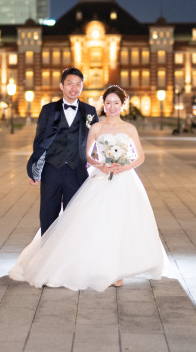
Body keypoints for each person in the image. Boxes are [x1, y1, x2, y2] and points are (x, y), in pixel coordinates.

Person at [10, 85, 167, 291]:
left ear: (123, 105)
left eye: (116, 103)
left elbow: (140, 156)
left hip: (124, 178)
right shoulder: (96, 127)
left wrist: (124, 166)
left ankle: (117, 271)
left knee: (121, 223)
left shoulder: (129, 129)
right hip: (101, 177)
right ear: (103, 104)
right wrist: (100, 164)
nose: (112, 107)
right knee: (97, 223)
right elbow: (88, 156)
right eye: (108, 103)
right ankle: (96, 266)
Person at [25, 67, 99, 234]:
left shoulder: (90, 111)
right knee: (47, 215)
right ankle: (47, 256)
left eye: (78, 84)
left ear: (82, 86)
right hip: (52, 171)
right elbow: (39, 142)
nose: (74, 88)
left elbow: (97, 141)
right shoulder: (48, 110)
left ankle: (72, 257)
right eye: (69, 84)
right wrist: (35, 170)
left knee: (76, 217)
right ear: (61, 86)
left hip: (77, 171)